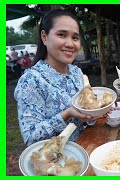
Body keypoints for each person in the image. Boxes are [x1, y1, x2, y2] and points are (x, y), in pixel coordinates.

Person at [14, 9, 105, 146]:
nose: (70, 44)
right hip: (56, 163)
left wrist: (96, 112)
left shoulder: (76, 72)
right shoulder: (31, 81)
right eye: (62, 35)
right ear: (44, 37)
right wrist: (67, 114)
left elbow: (86, 118)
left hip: (85, 149)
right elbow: (30, 138)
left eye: (75, 38)